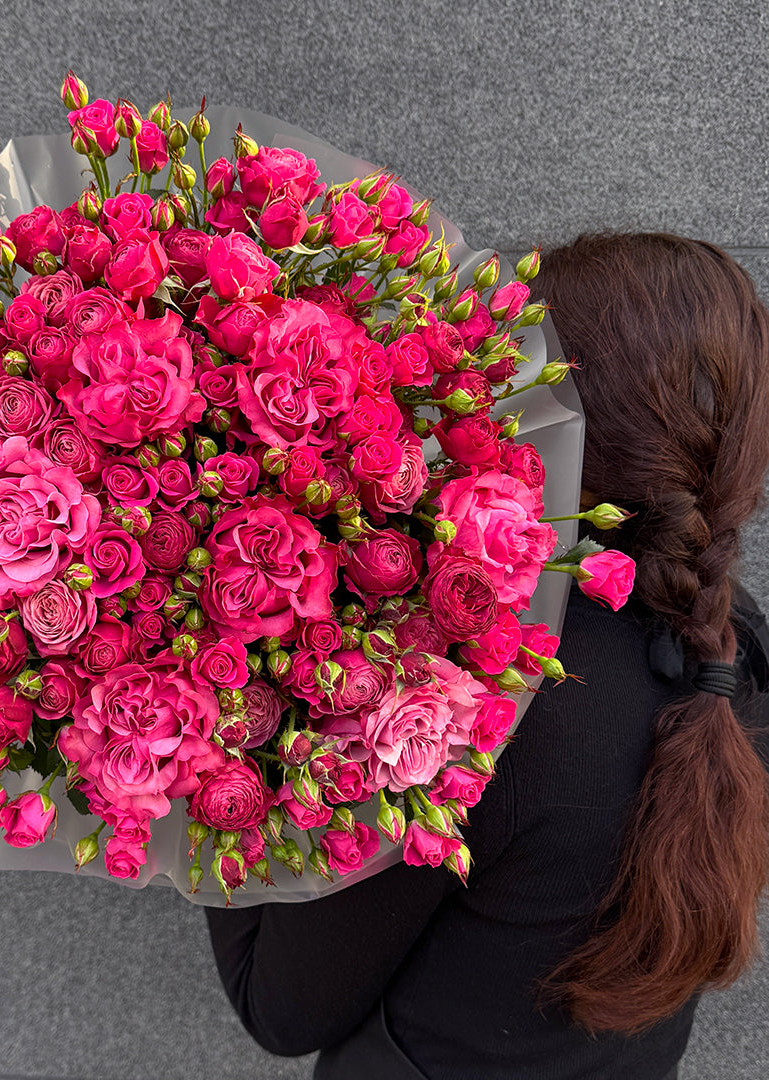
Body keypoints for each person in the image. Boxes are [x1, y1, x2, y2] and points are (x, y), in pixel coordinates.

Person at [204, 233, 769, 1079]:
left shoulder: (480, 711)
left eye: (502, 372)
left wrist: (229, 687)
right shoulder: (736, 646)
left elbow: (278, 1006)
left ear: (551, 423)